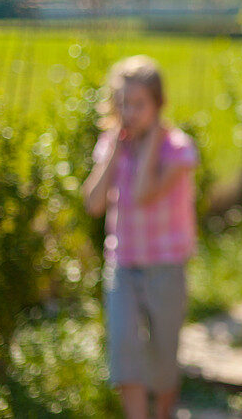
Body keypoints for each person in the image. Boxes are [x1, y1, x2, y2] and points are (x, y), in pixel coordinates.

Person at [82, 55, 198, 419]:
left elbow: (145, 192)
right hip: (123, 265)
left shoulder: (177, 149)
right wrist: (114, 153)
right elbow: (93, 204)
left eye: (138, 104)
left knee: (163, 357)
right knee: (125, 353)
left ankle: (163, 412)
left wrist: (147, 149)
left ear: (158, 104)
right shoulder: (112, 144)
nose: (129, 113)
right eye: (122, 104)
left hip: (166, 266)